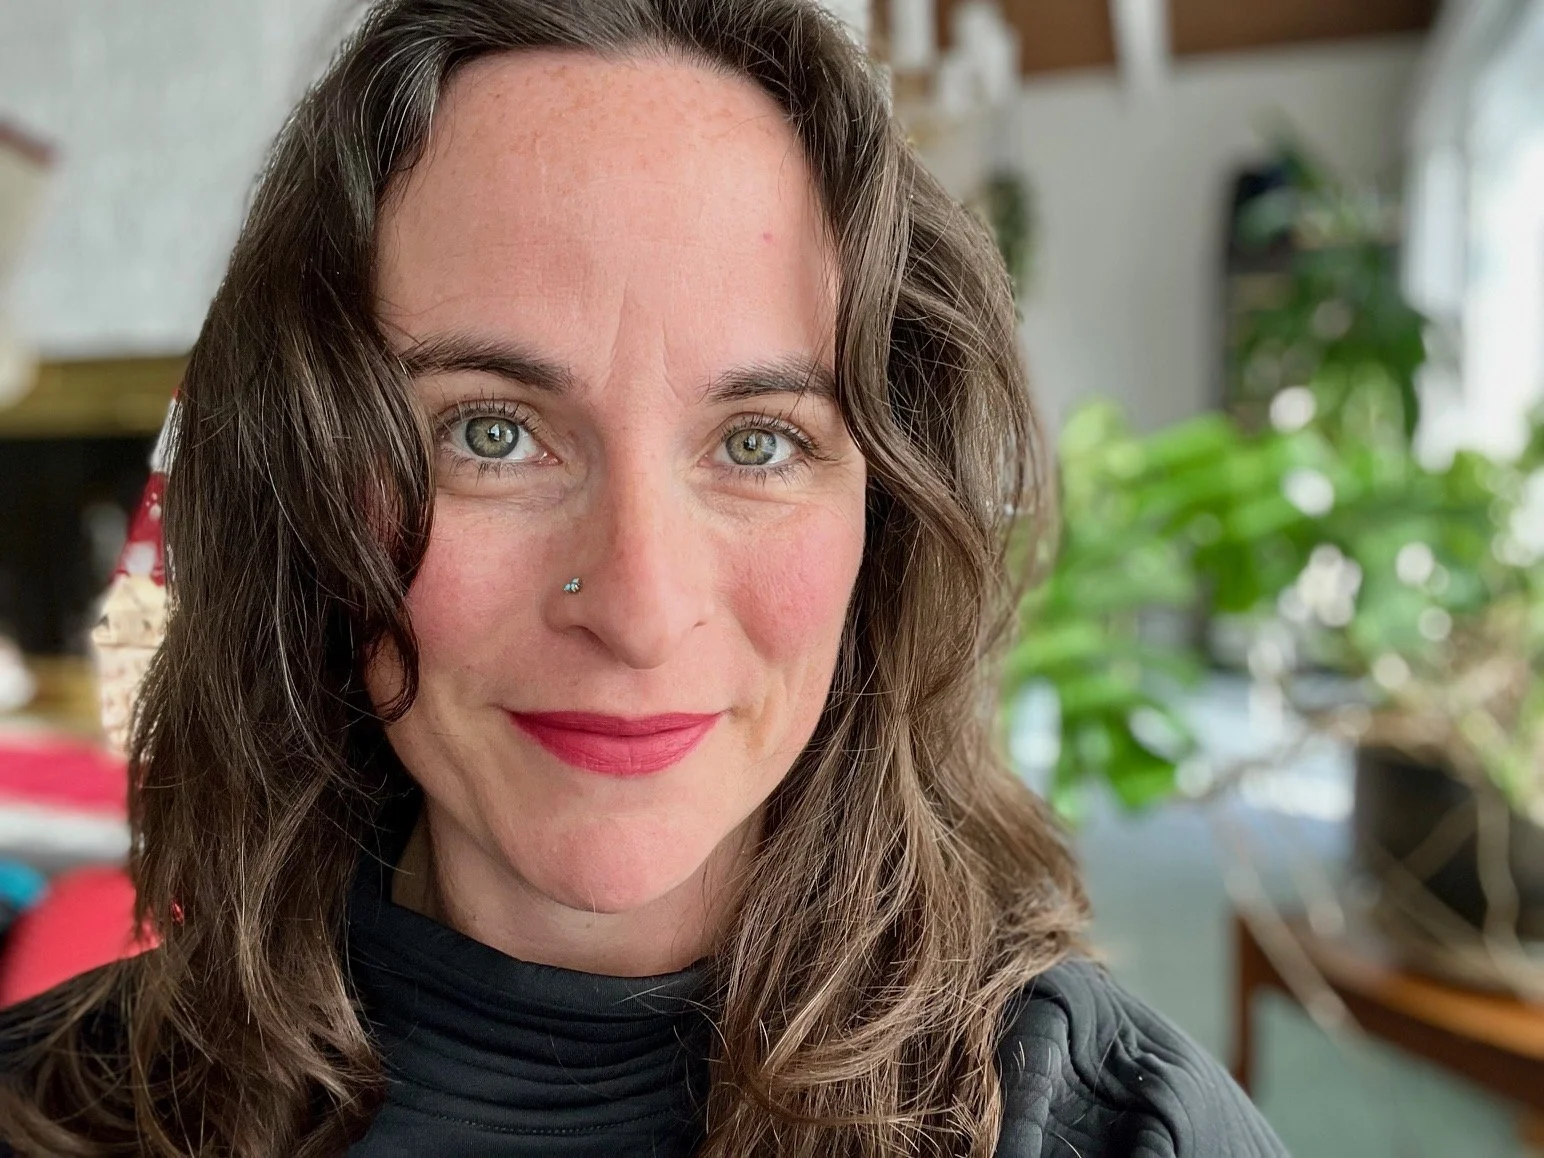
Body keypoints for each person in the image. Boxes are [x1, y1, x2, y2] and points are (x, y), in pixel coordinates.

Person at [0, 1, 1288, 1154]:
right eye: (489, 433)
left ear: (881, 520)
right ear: (305, 490)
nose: (636, 604)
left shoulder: (1112, 1132)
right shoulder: (53, 1110)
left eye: (760, 442)